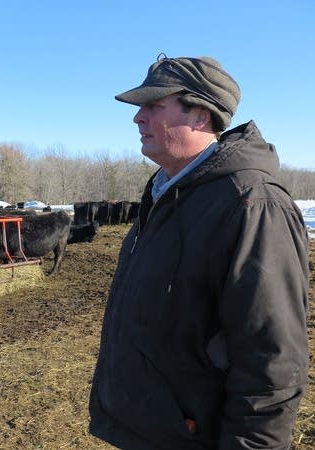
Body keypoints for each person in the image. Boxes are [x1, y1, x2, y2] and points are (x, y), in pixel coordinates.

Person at [89, 54, 310, 450]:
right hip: (149, 428)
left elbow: (272, 357)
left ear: (200, 116)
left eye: (154, 105)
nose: (138, 118)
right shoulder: (166, 194)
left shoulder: (251, 204)